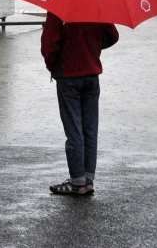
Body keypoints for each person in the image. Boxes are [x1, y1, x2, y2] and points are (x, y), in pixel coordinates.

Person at [40, 11, 119, 196]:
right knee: (90, 129)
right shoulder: (96, 7)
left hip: (68, 76)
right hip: (92, 75)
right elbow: (113, 35)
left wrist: (54, 65)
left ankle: (77, 181)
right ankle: (88, 179)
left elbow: (49, 45)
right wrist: (92, 50)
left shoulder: (58, 8)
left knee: (74, 129)